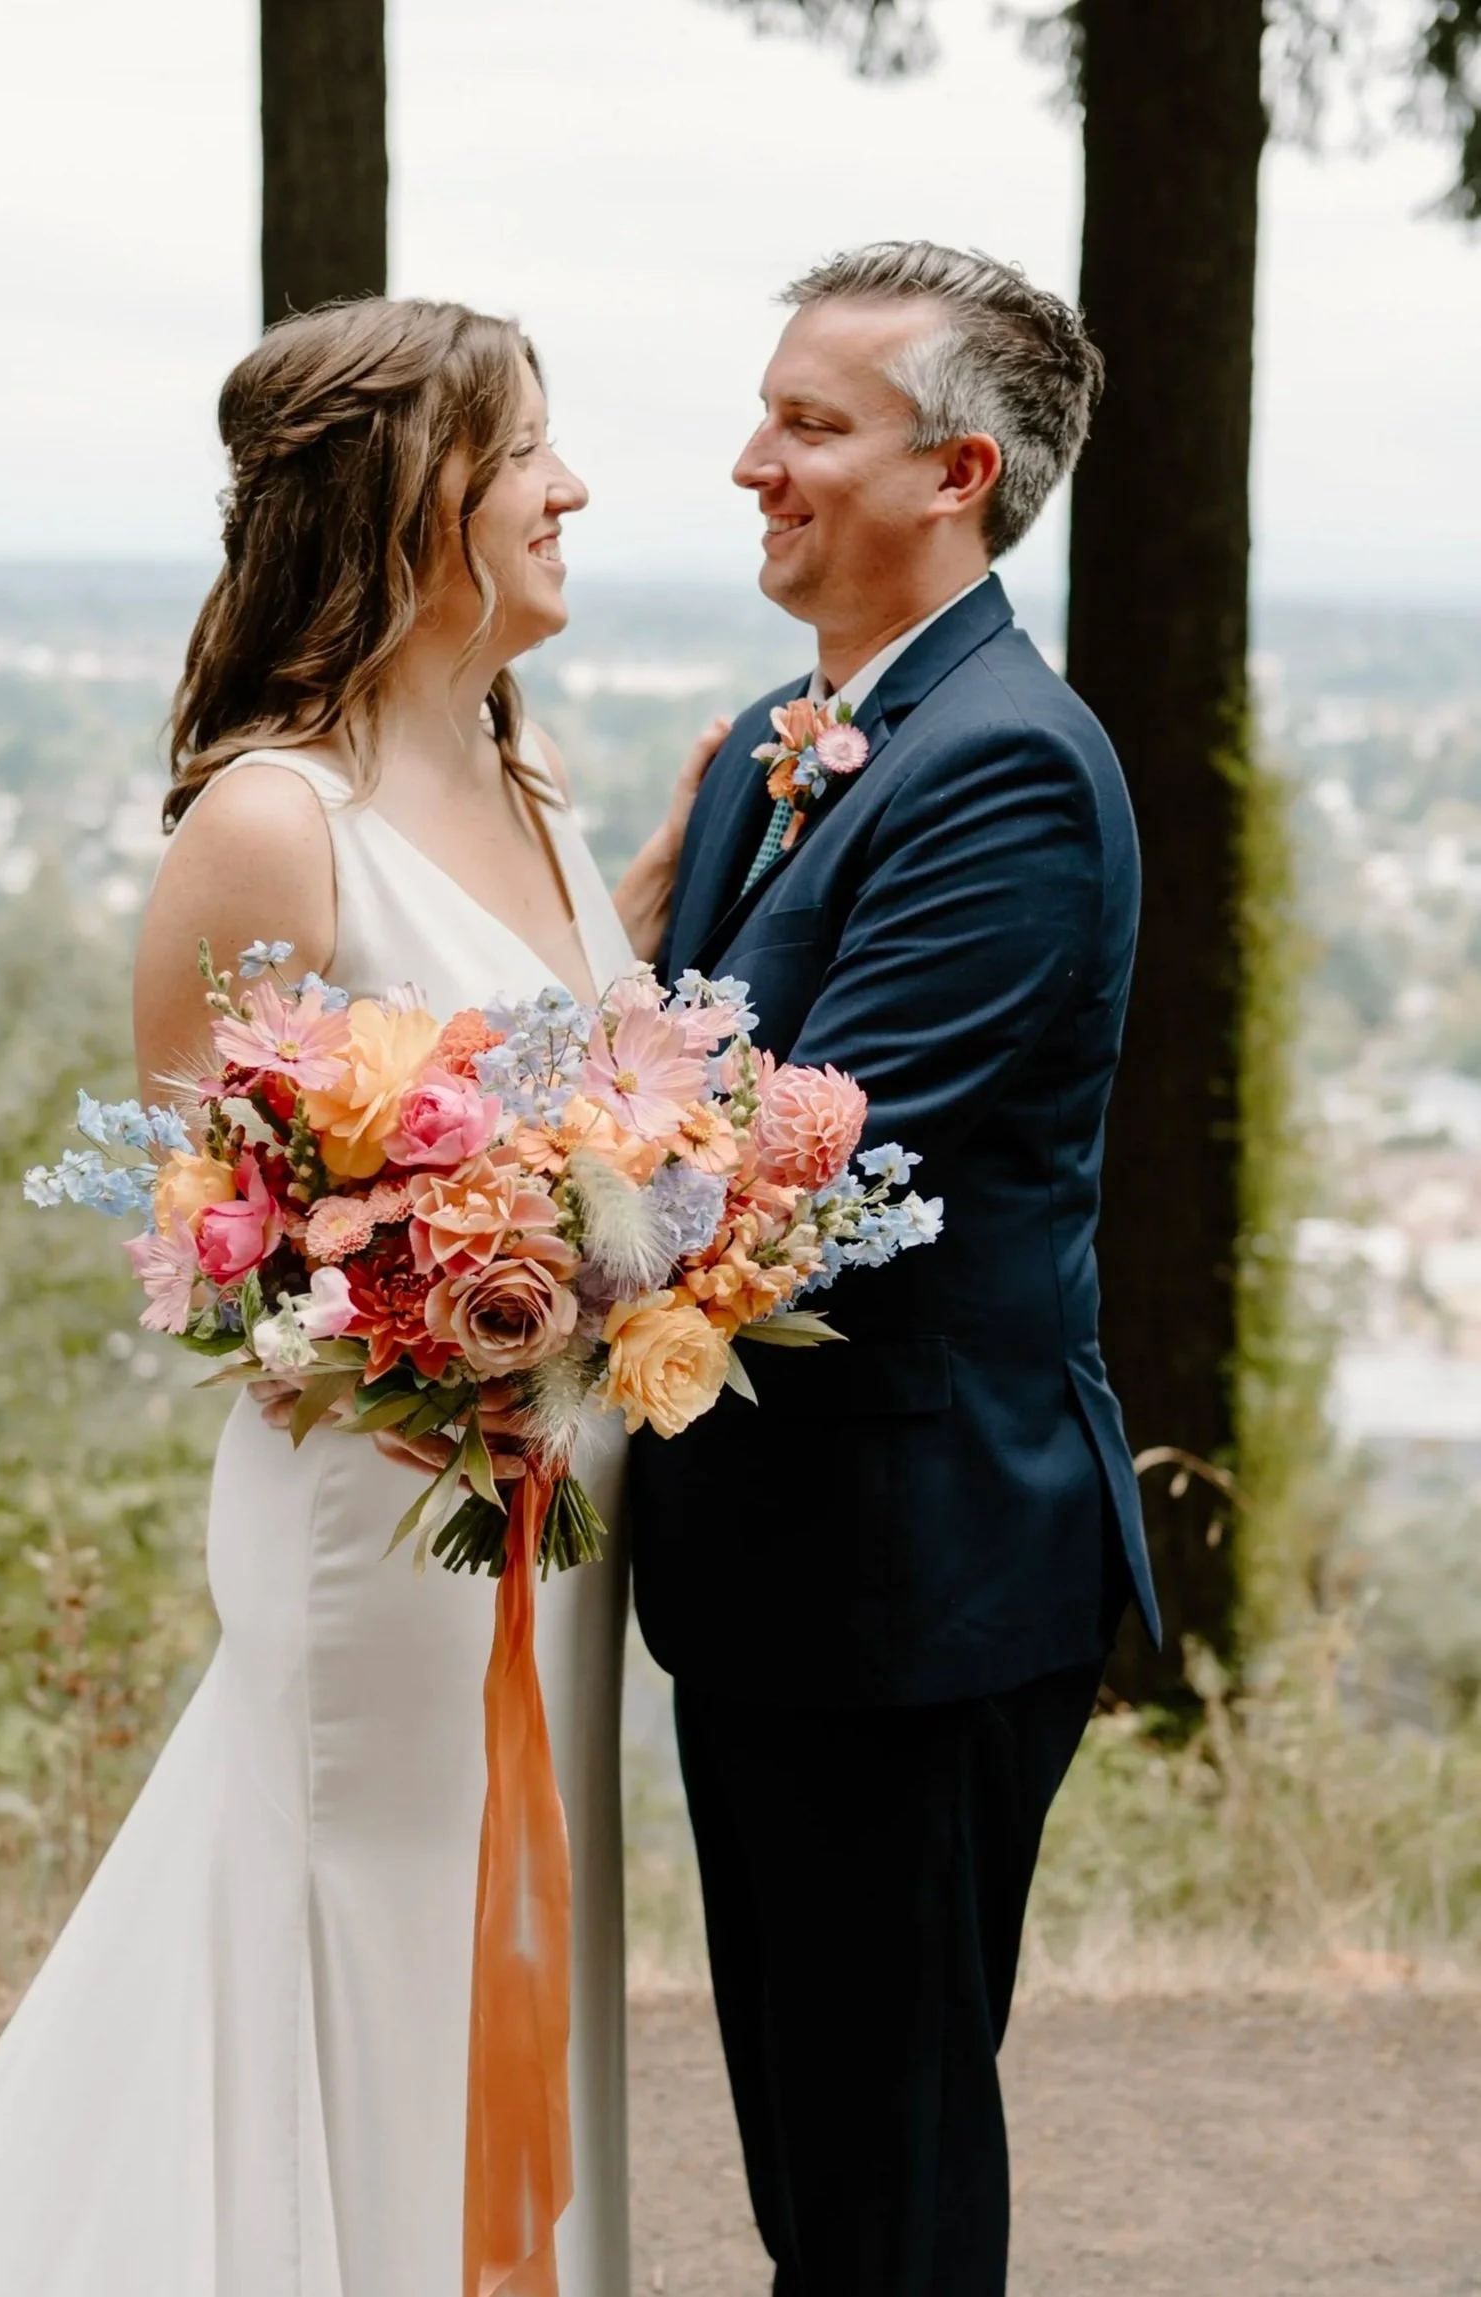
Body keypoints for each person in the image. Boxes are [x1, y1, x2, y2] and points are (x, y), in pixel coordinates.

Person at [0, 297, 718, 2297]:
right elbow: (213, 1237)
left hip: (551, 1509)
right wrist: (432, 1305)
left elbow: (584, 1079)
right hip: (379, 1517)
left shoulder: (542, 789)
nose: (575, 489)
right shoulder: (267, 822)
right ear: (419, 503)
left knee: (513, 1914)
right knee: (369, 1916)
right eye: (532, 455)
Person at [628, 240, 1161, 2295]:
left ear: (950, 470)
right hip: (781, 1560)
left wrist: (506, 1175)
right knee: (813, 2140)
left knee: (887, 2163)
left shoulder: (1003, 764)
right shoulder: (790, 727)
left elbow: (793, 1173)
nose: (751, 459)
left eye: (808, 424)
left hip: (918, 1567)